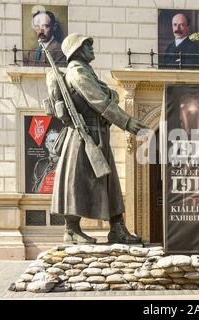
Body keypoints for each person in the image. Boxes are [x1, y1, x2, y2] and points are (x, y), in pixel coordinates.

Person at [48, 33, 149, 244]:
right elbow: (101, 101)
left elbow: (110, 95)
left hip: (97, 133)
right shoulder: (78, 73)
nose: (92, 48)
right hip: (83, 136)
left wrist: (109, 96)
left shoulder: (87, 72)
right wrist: (128, 123)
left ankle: (117, 228)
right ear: (76, 50)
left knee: (109, 183)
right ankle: (71, 230)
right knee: (77, 182)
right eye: (87, 45)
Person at [31, 129, 60, 193]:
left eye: (58, 141)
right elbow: (34, 187)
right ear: (46, 145)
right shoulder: (40, 164)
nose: (55, 144)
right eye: (52, 141)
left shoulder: (66, 163)